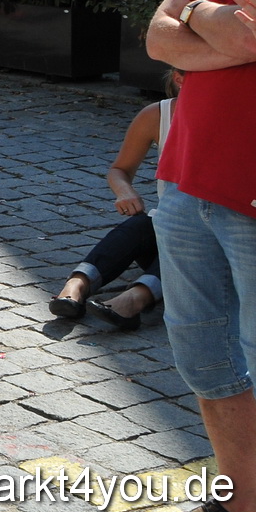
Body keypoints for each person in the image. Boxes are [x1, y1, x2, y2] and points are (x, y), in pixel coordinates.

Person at [143, 0, 256, 512]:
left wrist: (194, 22)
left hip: (254, 193)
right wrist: (200, 15)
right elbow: (155, 36)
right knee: (205, 358)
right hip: (184, 179)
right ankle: (240, 505)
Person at [50, 79, 178, 331]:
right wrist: (124, 191)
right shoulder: (158, 114)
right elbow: (120, 169)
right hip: (169, 226)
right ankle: (77, 284)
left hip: (218, 243)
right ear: (179, 78)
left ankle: (136, 298)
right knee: (141, 224)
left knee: (193, 238)